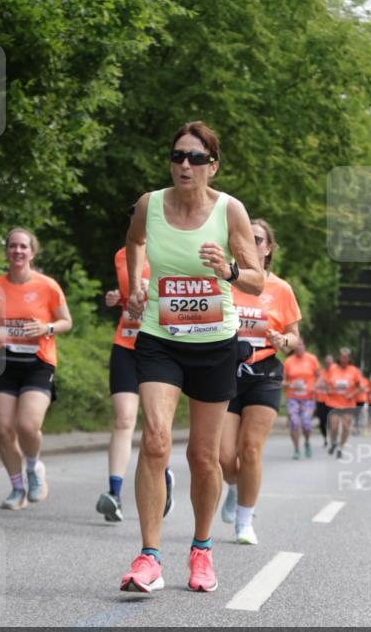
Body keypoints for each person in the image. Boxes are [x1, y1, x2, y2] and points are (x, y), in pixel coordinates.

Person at [120, 121, 263, 594]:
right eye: (178, 156)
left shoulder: (230, 211)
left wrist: (230, 269)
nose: (185, 164)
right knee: (156, 439)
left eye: (196, 158)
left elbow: (257, 281)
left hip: (214, 345)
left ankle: (201, 549)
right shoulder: (150, 204)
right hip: (161, 337)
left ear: (212, 165)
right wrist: (138, 283)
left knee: (203, 456)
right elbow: (134, 242)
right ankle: (148, 558)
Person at [219, 220, 301, 544]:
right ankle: (235, 486)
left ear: (267, 249)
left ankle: (244, 521)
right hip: (224, 371)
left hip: (264, 371)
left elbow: (295, 337)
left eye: (257, 239)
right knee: (224, 456)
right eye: (244, 238)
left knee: (250, 449)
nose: (250, 243)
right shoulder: (225, 279)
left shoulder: (281, 289)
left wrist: (284, 340)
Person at [0, 228, 73, 510]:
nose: (18, 251)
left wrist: (46, 327)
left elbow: (66, 322)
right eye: (13, 246)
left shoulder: (47, 286)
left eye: (23, 247)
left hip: (38, 363)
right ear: (7, 251)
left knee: (27, 425)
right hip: (5, 362)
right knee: (4, 429)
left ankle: (33, 467)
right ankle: (17, 488)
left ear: (32, 252)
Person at [96, 247, 175, 522]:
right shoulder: (121, 254)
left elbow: (186, 300)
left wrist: (153, 290)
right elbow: (130, 297)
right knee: (123, 419)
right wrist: (119, 299)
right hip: (126, 344)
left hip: (160, 348)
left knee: (156, 425)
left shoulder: (175, 248)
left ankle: (163, 478)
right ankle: (114, 494)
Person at [282, 337, 318, 460]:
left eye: (301, 344)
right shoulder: (288, 361)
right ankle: (296, 449)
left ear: (304, 346)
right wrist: (290, 384)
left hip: (308, 397)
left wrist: (315, 387)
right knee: (294, 422)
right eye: (297, 345)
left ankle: (307, 442)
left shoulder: (312, 359)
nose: (299, 347)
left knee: (306, 423)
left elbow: (320, 377)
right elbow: (282, 381)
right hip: (292, 397)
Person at [322, 348, 362, 458]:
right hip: (333, 402)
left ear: (349, 358)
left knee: (346, 427)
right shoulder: (333, 368)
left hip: (348, 403)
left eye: (346, 357)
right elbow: (325, 383)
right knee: (334, 426)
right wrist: (327, 390)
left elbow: (360, 387)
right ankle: (334, 442)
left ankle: (341, 447)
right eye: (342, 356)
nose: (343, 358)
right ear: (339, 358)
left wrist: (352, 394)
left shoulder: (354, 370)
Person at [315, 354, 333, 446]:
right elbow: (316, 384)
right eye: (327, 362)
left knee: (332, 420)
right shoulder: (321, 373)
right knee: (322, 422)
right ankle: (325, 438)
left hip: (332, 401)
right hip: (321, 400)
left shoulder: (336, 372)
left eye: (330, 362)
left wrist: (328, 386)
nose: (328, 364)